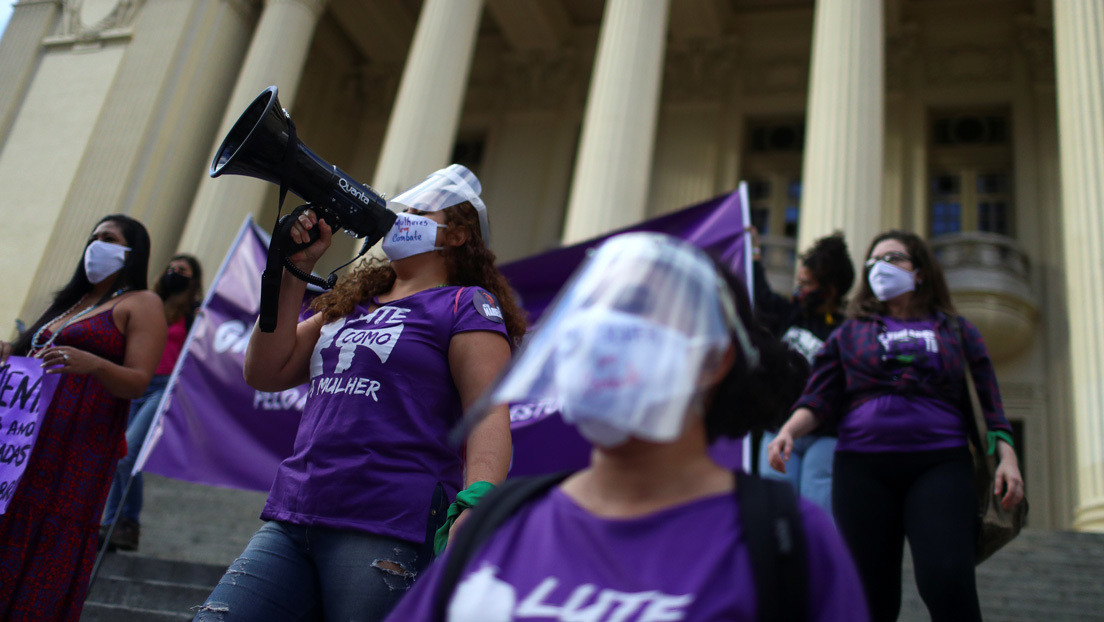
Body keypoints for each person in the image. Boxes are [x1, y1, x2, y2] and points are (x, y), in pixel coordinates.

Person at [384, 232, 868, 621]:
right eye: (592, 306)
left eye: (634, 307)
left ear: (711, 360)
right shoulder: (498, 524)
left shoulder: (792, 540)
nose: (598, 329)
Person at [193, 164, 526, 621]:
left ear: (456, 236)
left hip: (389, 519)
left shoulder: (465, 304)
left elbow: (488, 412)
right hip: (296, 512)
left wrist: (478, 501)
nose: (399, 219)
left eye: (418, 212)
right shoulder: (351, 304)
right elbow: (265, 370)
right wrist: (294, 269)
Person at [767, 230, 1025, 622]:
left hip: (939, 464)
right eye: (872, 262)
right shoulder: (849, 333)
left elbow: (989, 403)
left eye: (892, 259)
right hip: (861, 469)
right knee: (869, 596)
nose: (878, 268)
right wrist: (789, 430)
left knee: (947, 580)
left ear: (919, 271)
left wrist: (1007, 457)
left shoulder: (956, 329)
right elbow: (819, 398)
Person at [0, 214, 166, 621]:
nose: (96, 245)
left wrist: (93, 363)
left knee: (48, 539)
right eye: (93, 237)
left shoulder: (141, 303)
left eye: (108, 238)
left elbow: (137, 381)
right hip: (26, 444)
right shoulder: (68, 304)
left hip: (75, 452)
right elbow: (34, 364)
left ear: (132, 252)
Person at [101, 254, 204, 551]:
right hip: (135, 383)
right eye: (171, 268)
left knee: (127, 454)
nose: (174, 273)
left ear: (193, 279)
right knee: (118, 457)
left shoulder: (195, 313)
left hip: (163, 388)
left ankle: (126, 521)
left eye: (182, 270)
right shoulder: (150, 305)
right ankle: (115, 525)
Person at [751, 230, 854, 515]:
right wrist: (755, 254)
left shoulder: (847, 331)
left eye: (806, 284)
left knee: (815, 510)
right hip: (779, 429)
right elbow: (761, 296)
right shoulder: (791, 314)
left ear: (830, 290)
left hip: (826, 435)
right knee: (776, 512)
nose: (800, 290)